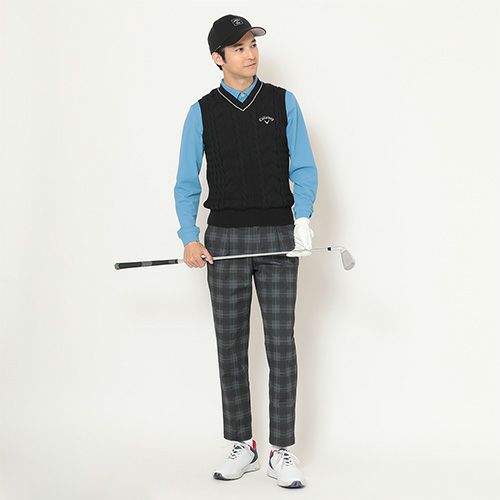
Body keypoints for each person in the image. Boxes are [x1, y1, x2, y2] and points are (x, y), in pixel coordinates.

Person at [173, 14, 318, 489]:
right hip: (224, 241)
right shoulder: (201, 111)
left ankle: (281, 450)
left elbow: (303, 166)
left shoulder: (282, 101)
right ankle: (243, 443)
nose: (250, 53)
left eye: (252, 44)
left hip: (278, 236)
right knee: (231, 346)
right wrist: (189, 237)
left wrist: (302, 219)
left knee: (281, 345)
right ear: (217, 58)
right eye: (238, 47)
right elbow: (186, 181)